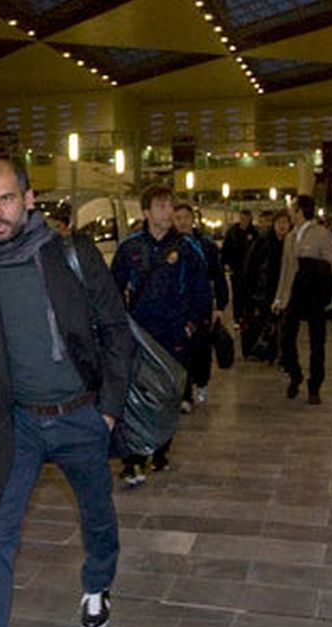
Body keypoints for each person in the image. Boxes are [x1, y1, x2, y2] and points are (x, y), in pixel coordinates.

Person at [0, 157, 133, 627]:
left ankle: (97, 584)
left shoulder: (72, 254)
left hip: (80, 415)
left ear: (29, 199)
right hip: (16, 422)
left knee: (96, 514)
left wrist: (109, 411)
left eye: (7, 199)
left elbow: (117, 330)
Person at [111, 184, 210, 484]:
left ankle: (160, 450)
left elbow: (202, 291)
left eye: (170, 205)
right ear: (146, 212)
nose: (169, 211)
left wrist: (190, 324)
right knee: (133, 395)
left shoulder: (187, 249)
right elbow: (112, 289)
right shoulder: (129, 248)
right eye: (162, 206)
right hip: (138, 335)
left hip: (173, 334)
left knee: (168, 394)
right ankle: (133, 459)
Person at [272, 195, 332, 405]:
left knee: (317, 343)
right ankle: (295, 374)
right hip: (293, 295)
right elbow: (285, 270)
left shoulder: (322, 235)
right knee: (286, 339)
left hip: (314, 296)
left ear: (300, 211)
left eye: (293, 208)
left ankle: (314, 386)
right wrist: (279, 298)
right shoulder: (291, 237)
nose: (290, 212)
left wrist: (316, 268)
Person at [172, 203, 228, 410]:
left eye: (185, 217)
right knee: (181, 352)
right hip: (178, 308)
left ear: (193, 219)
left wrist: (220, 306)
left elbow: (218, 277)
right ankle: (185, 395)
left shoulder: (206, 246)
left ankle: (202, 382)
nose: (182, 222)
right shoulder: (169, 246)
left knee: (201, 350)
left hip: (202, 307)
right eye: (177, 218)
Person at [240, 209, 290, 359]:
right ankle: (261, 350)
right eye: (279, 222)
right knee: (262, 320)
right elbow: (250, 268)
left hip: (282, 289)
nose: (282, 226)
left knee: (280, 322)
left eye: (286, 223)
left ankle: (275, 351)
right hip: (263, 290)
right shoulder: (262, 242)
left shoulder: (291, 243)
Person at [220, 209, 259, 326]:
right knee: (237, 294)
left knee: (249, 294)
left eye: (247, 219)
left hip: (251, 270)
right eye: (242, 219)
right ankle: (237, 318)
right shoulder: (232, 232)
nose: (244, 221)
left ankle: (248, 317)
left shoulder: (255, 233)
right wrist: (226, 264)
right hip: (236, 269)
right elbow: (225, 249)